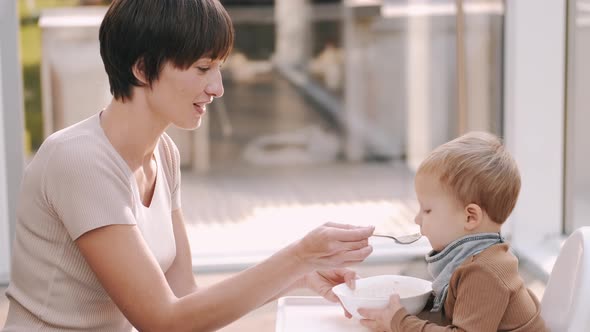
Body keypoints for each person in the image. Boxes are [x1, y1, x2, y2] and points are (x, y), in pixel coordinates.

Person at [2, 0, 375, 331]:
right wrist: (298, 256)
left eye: (218, 68)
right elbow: (165, 322)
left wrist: (298, 276)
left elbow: (185, 300)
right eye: (202, 68)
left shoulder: (163, 154)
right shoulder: (79, 161)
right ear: (143, 69)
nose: (217, 87)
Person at [357, 132, 548, 332]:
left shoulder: (485, 272)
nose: (417, 219)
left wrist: (400, 322)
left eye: (427, 210)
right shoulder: (473, 260)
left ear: (470, 217)